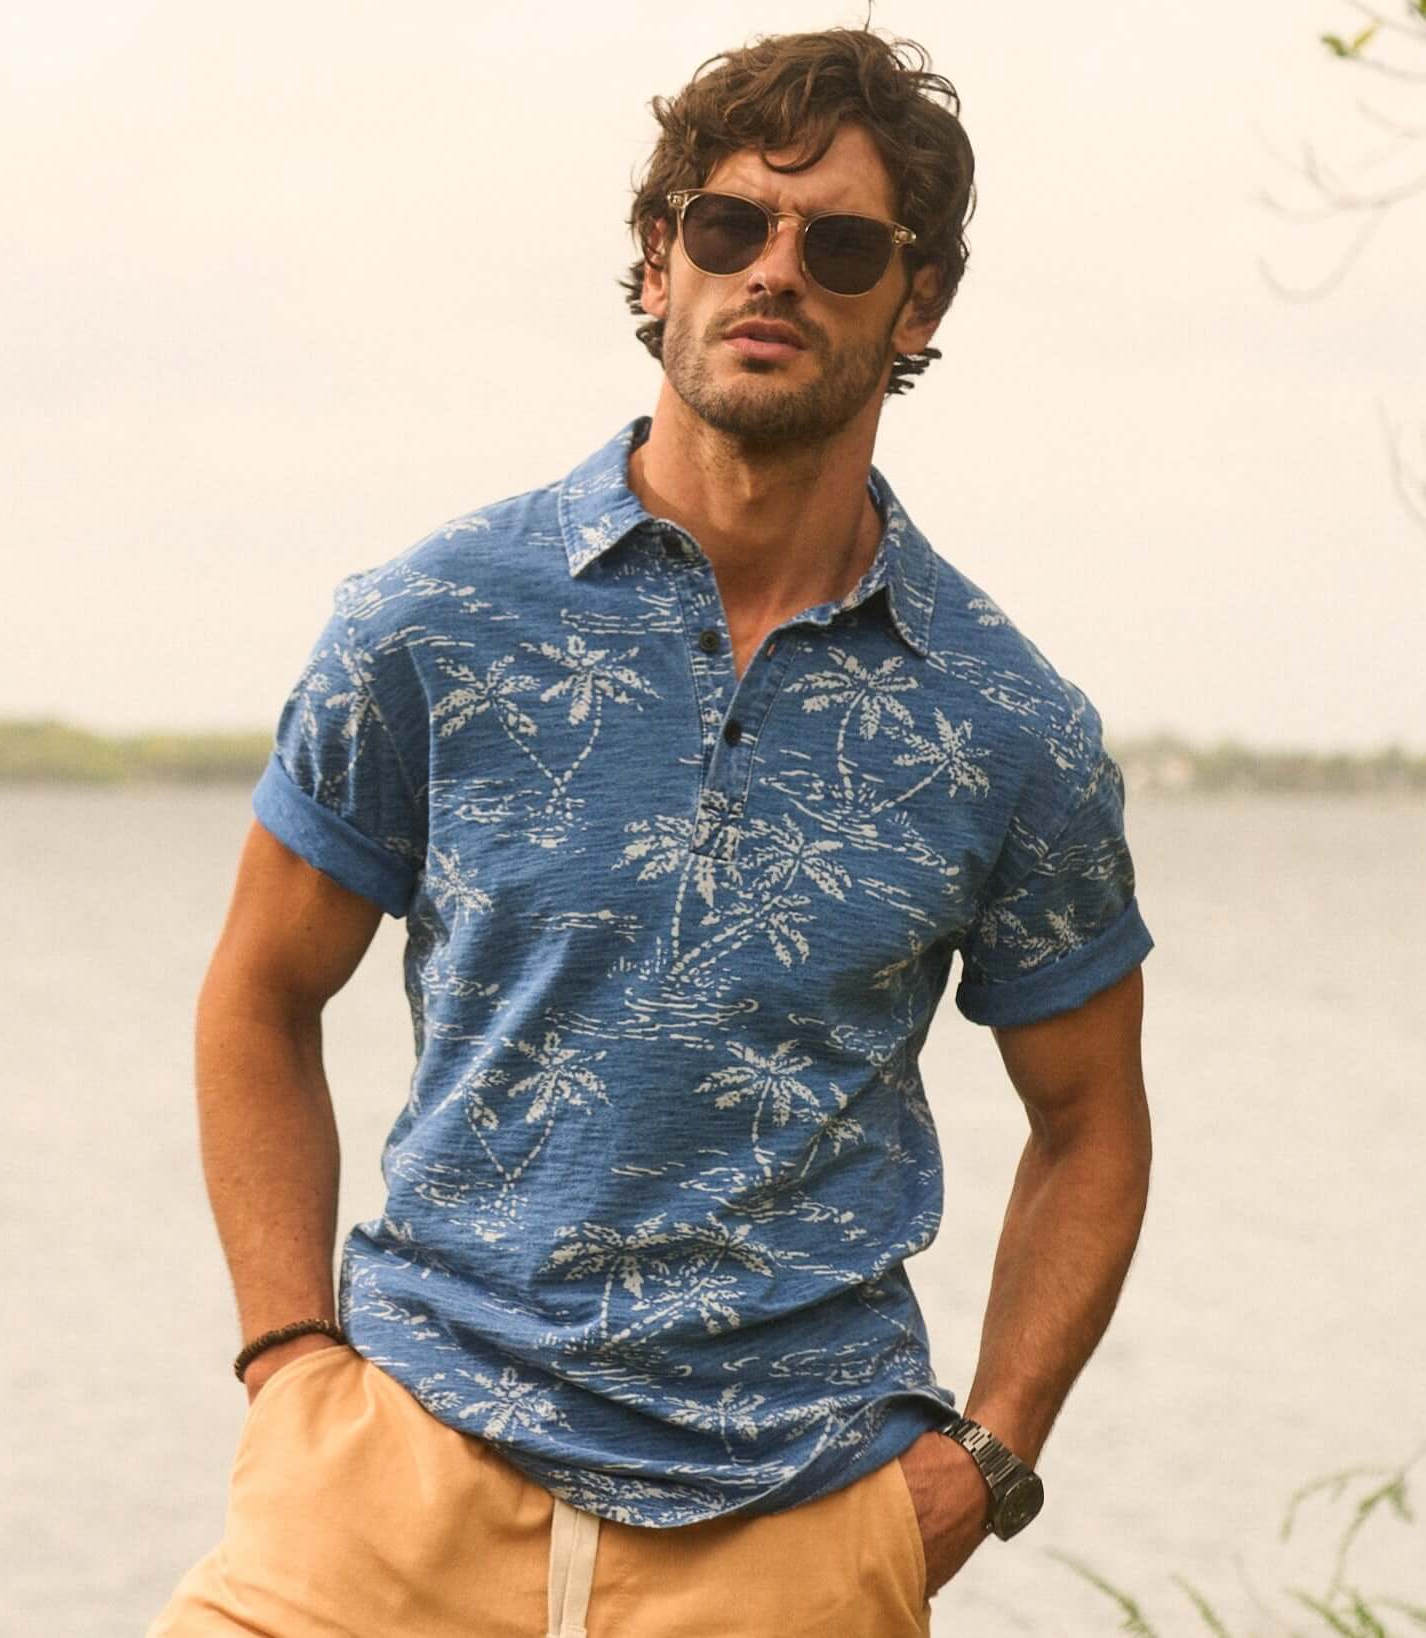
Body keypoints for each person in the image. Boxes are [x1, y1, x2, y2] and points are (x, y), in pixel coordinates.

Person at [146, 22, 1154, 1638]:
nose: (775, 273)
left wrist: (982, 1462)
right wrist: (287, 1360)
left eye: (838, 246)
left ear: (917, 304)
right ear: (653, 262)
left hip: (793, 1536)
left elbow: (1090, 1121)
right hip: (385, 1494)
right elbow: (258, 994)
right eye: (727, 225)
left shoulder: (1005, 725)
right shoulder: (432, 621)